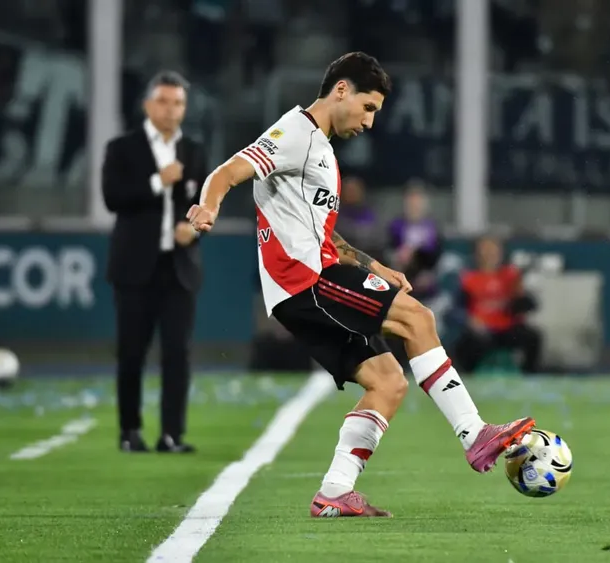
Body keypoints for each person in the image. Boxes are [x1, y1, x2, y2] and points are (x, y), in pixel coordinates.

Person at [187, 52, 536, 517]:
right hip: (308, 279)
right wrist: (207, 205)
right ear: (341, 90)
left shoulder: (321, 150)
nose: (370, 122)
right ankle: (474, 434)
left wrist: (376, 265)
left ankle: (334, 490)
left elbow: (324, 234)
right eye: (369, 108)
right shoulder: (295, 134)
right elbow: (227, 172)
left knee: (388, 382)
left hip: (306, 282)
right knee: (418, 319)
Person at [102, 71, 207, 454]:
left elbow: (206, 207)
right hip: (134, 266)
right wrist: (156, 182)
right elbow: (112, 198)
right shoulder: (122, 149)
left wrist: (193, 230)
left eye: (178, 102)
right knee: (131, 351)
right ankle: (130, 431)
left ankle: (171, 435)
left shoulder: (193, 150)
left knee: (177, 353)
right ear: (148, 105)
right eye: (163, 101)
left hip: (179, 268)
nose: (171, 109)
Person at [454, 236, 542, 374]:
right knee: (465, 344)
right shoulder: (469, 279)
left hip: (508, 328)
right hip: (482, 330)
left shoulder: (511, 276)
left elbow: (530, 305)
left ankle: (529, 375)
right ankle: (467, 378)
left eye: (493, 251)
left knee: (533, 337)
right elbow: (456, 309)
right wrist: (470, 320)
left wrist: (521, 295)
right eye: (485, 251)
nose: (490, 255)